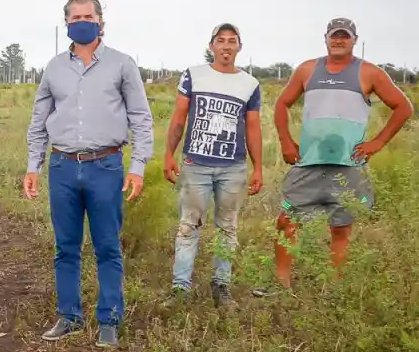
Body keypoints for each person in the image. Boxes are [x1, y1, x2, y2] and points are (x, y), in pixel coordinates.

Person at [24, 0, 154, 348]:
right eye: (75, 17)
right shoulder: (54, 68)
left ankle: (109, 319)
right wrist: (33, 166)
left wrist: (137, 167)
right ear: (66, 23)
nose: (82, 22)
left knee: (107, 246)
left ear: (100, 21)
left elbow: (141, 119)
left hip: (106, 166)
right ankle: (68, 316)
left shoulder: (122, 65)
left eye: (88, 16)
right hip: (63, 166)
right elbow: (38, 120)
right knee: (66, 247)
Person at [270, 18, 413, 289]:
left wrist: (377, 142)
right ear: (325, 38)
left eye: (344, 36)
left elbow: (404, 107)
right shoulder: (307, 69)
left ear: (354, 40)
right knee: (287, 219)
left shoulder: (369, 72)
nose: (338, 40)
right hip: (308, 163)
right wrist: (286, 142)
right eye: (334, 35)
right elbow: (281, 104)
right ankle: (281, 284)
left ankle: (334, 289)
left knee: (341, 227)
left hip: (348, 166)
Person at [162, 23, 263, 309]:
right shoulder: (194, 75)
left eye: (232, 41)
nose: (226, 46)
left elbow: (253, 127)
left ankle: (222, 287)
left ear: (239, 47)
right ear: (212, 46)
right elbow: (179, 116)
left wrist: (258, 167)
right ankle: (180, 289)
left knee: (227, 228)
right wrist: (169, 154)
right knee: (188, 226)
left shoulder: (250, 84)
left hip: (233, 168)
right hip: (196, 164)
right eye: (221, 40)